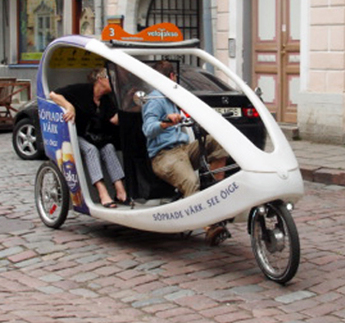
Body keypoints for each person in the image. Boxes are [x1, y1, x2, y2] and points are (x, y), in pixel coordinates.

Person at [141, 60, 229, 246]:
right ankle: (209, 227)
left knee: (218, 141)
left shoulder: (174, 97)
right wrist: (166, 122)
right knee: (191, 181)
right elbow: (148, 129)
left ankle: (216, 187)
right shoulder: (155, 100)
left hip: (184, 149)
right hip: (165, 155)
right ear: (172, 77)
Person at [49, 68, 129, 208]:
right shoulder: (81, 90)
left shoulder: (106, 99)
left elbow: (114, 120)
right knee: (91, 150)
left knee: (109, 148)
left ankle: (120, 190)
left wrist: (130, 104)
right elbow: (53, 95)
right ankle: (102, 192)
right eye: (111, 79)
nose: (115, 82)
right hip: (76, 135)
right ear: (100, 80)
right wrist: (69, 107)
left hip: (96, 136)